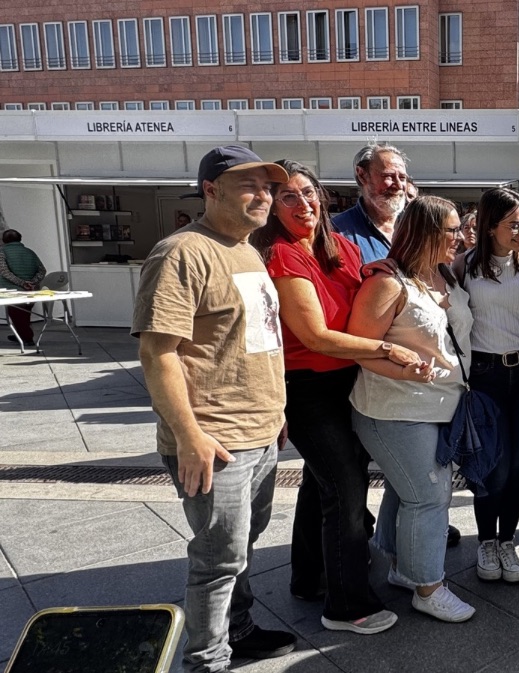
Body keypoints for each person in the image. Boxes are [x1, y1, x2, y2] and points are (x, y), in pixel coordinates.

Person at [132, 146, 295, 672]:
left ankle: (239, 629)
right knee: (218, 560)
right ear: (210, 189)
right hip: (216, 438)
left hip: (261, 430)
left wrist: (275, 413)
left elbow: (253, 341)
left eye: (268, 187)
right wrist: (188, 436)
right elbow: (158, 353)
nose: (264, 196)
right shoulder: (182, 252)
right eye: (249, 185)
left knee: (241, 547)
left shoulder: (246, 250)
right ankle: (207, 661)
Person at [250, 160, 407, 635]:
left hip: (348, 382)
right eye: (289, 197)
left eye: (308, 193)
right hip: (308, 388)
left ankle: (310, 576)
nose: (304, 204)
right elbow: (315, 336)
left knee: (323, 485)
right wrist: (387, 348)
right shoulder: (281, 253)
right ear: (273, 208)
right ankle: (347, 605)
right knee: (345, 489)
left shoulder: (335, 244)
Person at [347, 195, 478, 622]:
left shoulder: (443, 275)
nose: (461, 237)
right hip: (395, 410)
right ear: (424, 233)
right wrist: (405, 372)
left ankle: (404, 568)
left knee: (409, 492)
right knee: (429, 496)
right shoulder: (387, 282)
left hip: (440, 406)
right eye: (452, 230)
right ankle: (428, 587)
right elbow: (360, 348)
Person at [451, 188, 519, 584]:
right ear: (490, 227)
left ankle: (507, 540)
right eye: (514, 224)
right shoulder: (462, 268)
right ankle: (486, 540)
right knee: (492, 464)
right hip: (485, 375)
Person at [333, 142, 410, 263]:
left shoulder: (417, 225)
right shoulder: (337, 231)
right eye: (388, 176)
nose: (399, 185)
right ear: (362, 176)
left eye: (402, 178)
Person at [0, 229, 47, 345]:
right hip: (31, 290)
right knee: (25, 315)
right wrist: (32, 282)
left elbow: (4, 272)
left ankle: (27, 338)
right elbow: (42, 270)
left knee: (16, 316)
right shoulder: (30, 252)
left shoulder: (2, 252)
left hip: (11, 290)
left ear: (3, 240)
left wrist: (22, 283)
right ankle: (21, 335)